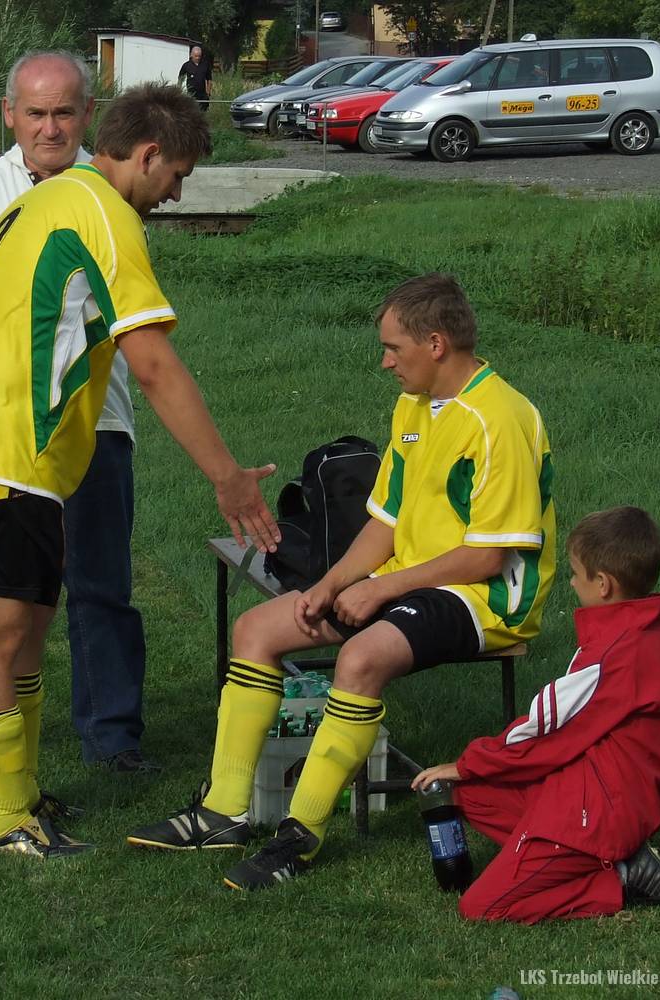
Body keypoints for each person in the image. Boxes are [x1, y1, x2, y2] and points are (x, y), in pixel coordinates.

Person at [0, 82, 280, 858]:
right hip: (5, 450)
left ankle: (21, 793)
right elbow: (151, 365)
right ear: (147, 154)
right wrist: (226, 475)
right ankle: (3, 819)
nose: (174, 193)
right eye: (176, 174)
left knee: (27, 626)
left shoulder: (43, 200)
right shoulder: (102, 212)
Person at [128, 273, 556, 891]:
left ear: (436, 344)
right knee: (255, 630)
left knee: (360, 657)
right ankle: (223, 812)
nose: (386, 363)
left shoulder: (502, 418)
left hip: (484, 599)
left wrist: (381, 590)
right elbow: (386, 522)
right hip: (413, 580)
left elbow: (488, 557)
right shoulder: (414, 406)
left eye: (393, 349)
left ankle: (299, 835)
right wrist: (330, 584)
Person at [0, 50, 158, 780]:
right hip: (8, 429)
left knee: (101, 586)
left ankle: (112, 737)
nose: (50, 128)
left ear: (88, 115)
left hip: (97, 419)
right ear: (8, 114)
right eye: (36, 113)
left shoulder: (108, 190)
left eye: (64, 113)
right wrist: (40, 259)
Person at [411, 506, 660, 923]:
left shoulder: (613, 654)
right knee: (467, 793)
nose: (572, 581)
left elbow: (543, 732)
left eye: (577, 574)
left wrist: (467, 763)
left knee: (481, 906)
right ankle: (595, 856)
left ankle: (619, 877)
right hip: (610, 793)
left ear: (603, 584)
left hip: (594, 813)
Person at [178, 45, 213, 111]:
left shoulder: (205, 65)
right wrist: (179, 90)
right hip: (191, 94)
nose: (197, 58)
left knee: (203, 111)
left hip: (202, 95)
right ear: (191, 55)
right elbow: (180, 78)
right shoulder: (186, 65)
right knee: (192, 111)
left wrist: (208, 92)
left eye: (199, 56)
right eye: (196, 56)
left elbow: (209, 79)